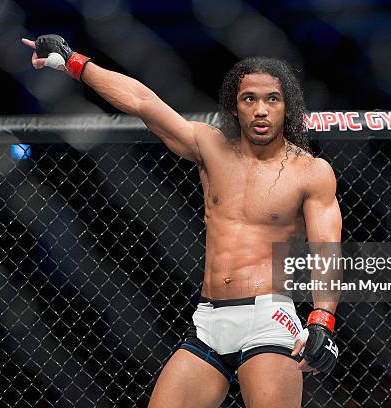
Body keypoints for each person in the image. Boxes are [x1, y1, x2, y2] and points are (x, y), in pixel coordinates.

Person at [22, 34, 342, 408]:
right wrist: (74, 62)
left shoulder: (310, 172)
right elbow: (143, 101)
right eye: (249, 99)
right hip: (208, 321)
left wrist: (322, 318)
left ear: (287, 106)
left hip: (269, 320)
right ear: (234, 106)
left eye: (272, 99)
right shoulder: (210, 147)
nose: (260, 110)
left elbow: (326, 251)